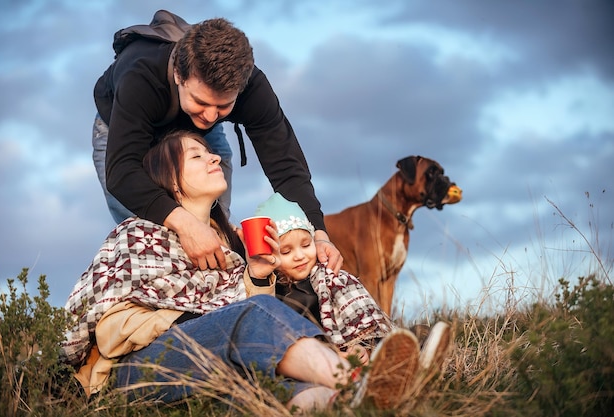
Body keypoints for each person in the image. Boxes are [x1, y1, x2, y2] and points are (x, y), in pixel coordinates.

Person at [62, 130, 422, 412]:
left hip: (207, 367)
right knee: (255, 315)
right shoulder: (138, 234)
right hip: (137, 372)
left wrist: (259, 275)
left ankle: (350, 404)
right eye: (197, 155)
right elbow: (95, 321)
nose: (214, 156)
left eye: (210, 151)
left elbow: (246, 326)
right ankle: (359, 380)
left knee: (273, 385)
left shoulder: (231, 253)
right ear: (171, 181)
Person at [92, 12, 342, 274]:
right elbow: (122, 172)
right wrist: (186, 223)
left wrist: (317, 232)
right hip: (125, 129)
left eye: (223, 106)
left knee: (214, 226)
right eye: (201, 102)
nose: (210, 115)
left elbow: (286, 167)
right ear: (179, 74)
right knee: (147, 230)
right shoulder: (141, 76)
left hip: (198, 136)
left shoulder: (252, 87)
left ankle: (221, 292)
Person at [254, 193, 452, 385]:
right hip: (321, 362)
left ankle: (408, 358)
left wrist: (360, 346)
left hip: (351, 351)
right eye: (286, 251)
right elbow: (294, 339)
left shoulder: (331, 280)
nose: (300, 256)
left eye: (306, 245)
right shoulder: (276, 294)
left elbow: (356, 320)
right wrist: (337, 353)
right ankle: (393, 372)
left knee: (417, 333)